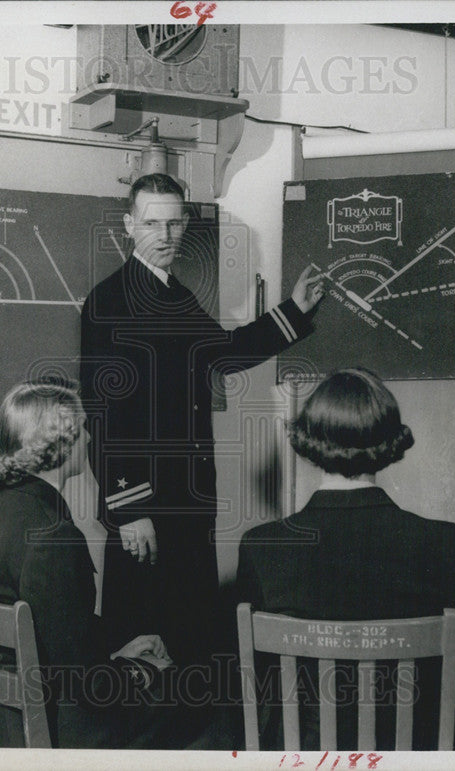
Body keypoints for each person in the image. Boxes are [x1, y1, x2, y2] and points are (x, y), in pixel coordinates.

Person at [79, 173, 325, 666]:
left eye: (174, 223)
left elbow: (224, 354)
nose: (165, 236)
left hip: (188, 499)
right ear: (130, 225)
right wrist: (128, 510)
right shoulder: (110, 301)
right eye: (152, 223)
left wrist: (293, 312)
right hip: (146, 508)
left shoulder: (175, 294)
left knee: (187, 636)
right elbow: (104, 415)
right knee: (146, 646)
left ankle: (190, 735)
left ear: (186, 223)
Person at [237, 367, 455, 749]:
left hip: (300, 754)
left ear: (309, 441)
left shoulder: (262, 545)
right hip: (411, 752)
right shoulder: (442, 541)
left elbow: (253, 676)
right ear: (389, 442)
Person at [0, 381, 200, 749]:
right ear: (59, 444)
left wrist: (116, 654)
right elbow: (88, 686)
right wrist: (140, 671)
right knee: (191, 693)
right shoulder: (55, 534)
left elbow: (58, 642)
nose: (90, 439)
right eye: (83, 429)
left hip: (4, 711)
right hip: (61, 722)